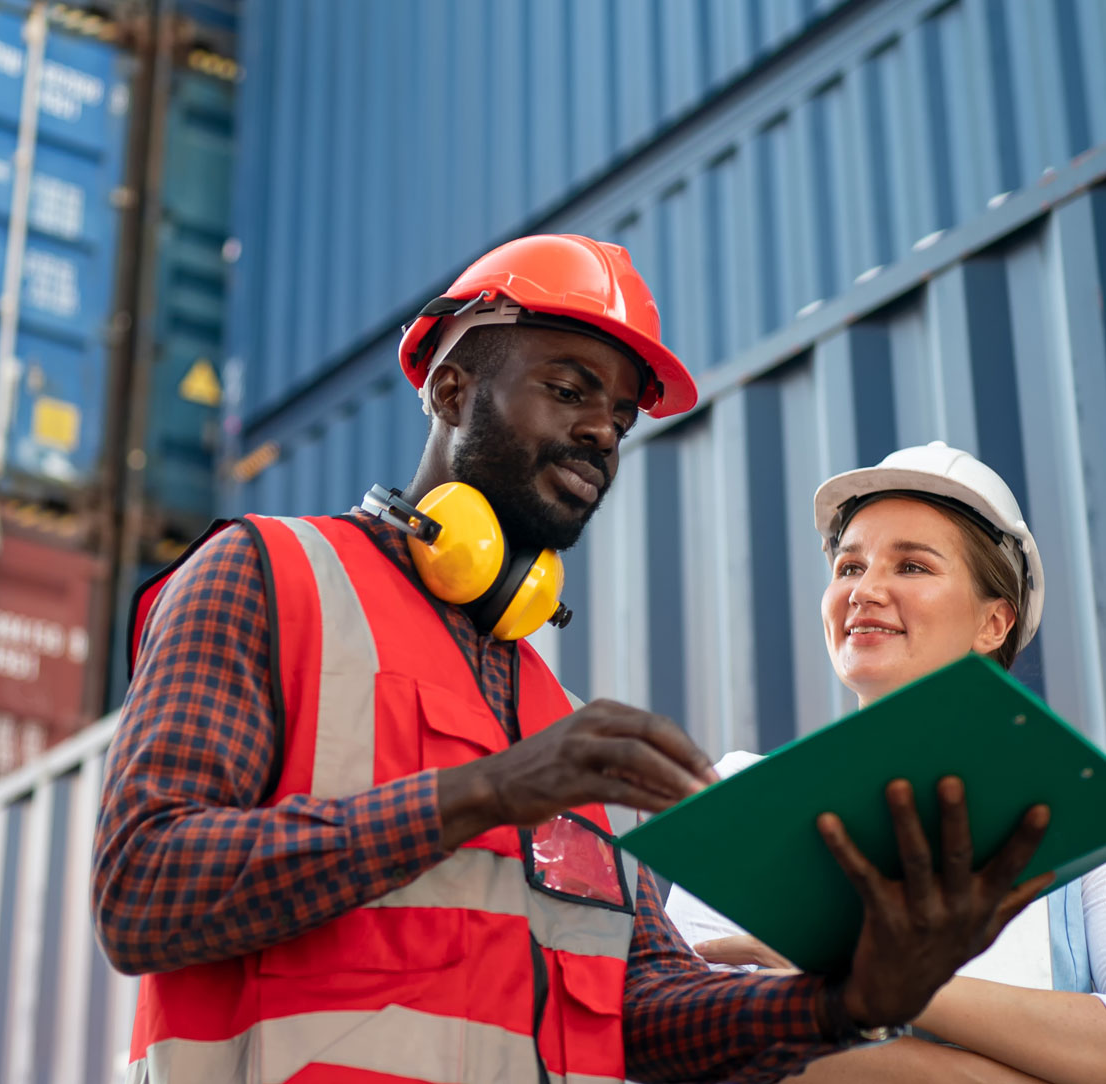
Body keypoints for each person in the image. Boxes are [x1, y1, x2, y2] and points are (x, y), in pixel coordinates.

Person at [92, 235, 1050, 1084]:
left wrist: (846, 1002)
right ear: (452, 387)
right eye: (568, 388)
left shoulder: (555, 720)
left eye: (622, 418)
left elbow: (646, 1010)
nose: (601, 429)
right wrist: (482, 794)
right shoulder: (265, 575)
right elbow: (143, 888)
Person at [666, 441, 1106, 1083]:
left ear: (994, 622)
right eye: (848, 568)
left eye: (913, 567)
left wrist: (861, 983)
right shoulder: (741, 797)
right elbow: (692, 1047)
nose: (864, 590)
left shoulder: (1084, 813)